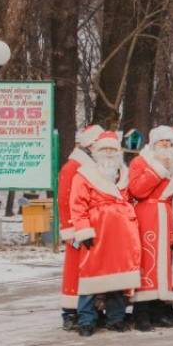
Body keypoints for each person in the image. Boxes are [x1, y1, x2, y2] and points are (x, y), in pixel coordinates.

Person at [67, 131, 143, 336]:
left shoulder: (124, 174)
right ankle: (86, 320)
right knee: (91, 274)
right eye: (104, 149)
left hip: (122, 233)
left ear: (118, 151)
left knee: (119, 275)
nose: (109, 153)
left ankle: (116, 317)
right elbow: (77, 204)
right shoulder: (84, 174)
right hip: (98, 230)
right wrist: (83, 230)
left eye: (112, 149)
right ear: (97, 151)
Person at [127, 125, 173, 327]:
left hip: (167, 215)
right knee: (147, 260)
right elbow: (136, 190)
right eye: (162, 142)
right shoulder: (140, 162)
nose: (166, 146)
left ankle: (160, 309)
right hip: (147, 215)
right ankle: (141, 311)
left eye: (169, 143)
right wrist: (158, 170)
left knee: (165, 263)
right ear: (153, 144)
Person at [58, 124, 104, 330]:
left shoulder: (97, 164)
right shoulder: (73, 166)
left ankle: (92, 308)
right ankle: (70, 311)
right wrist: (69, 228)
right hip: (78, 228)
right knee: (74, 270)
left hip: (94, 226)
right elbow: (64, 199)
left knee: (92, 269)